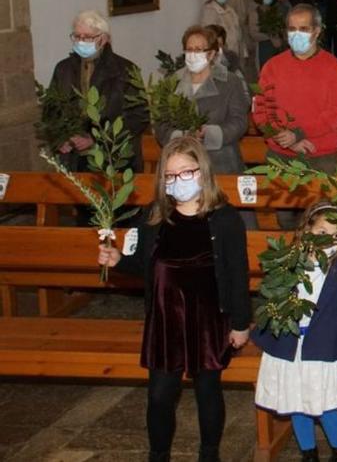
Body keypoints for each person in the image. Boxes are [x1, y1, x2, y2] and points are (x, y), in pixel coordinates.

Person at [97, 137, 251, 462]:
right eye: (170, 175)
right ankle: (159, 454)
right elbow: (143, 264)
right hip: (167, 319)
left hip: (208, 318)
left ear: (202, 172)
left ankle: (209, 453)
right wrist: (117, 261)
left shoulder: (224, 219)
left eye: (185, 172)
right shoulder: (153, 216)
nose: (178, 180)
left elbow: (238, 274)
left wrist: (240, 323)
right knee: (160, 395)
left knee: (208, 391)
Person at [252, 202, 337, 462]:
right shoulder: (288, 261)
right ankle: (308, 453)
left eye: (334, 235)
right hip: (289, 345)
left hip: (321, 348)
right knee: (295, 402)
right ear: (308, 226)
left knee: (325, 403)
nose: (326, 239)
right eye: (321, 229)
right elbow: (270, 298)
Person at [254, 4, 337, 231]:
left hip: (320, 156)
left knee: (323, 222)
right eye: (292, 29)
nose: (296, 34)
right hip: (281, 155)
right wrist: (282, 137)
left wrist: (299, 133)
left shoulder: (333, 66)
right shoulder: (272, 67)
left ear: (316, 31)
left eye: (303, 28)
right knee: (286, 222)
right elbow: (261, 112)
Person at [49, 10, 147, 173]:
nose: (81, 41)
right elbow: (51, 111)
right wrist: (60, 137)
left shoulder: (125, 70)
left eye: (87, 37)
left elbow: (138, 117)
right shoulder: (63, 69)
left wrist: (95, 139)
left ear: (103, 39)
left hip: (114, 160)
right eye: (77, 36)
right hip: (74, 161)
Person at [154, 26, 251, 176]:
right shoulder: (172, 82)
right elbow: (160, 124)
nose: (193, 54)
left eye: (198, 50)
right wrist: (181, 136)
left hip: (221, 162)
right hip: (181, 163)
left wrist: (210, 134)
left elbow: (239, 122)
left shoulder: (230, 82)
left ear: (211, 54)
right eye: (189, 50)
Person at [200, 0, 246, 64]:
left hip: (235, 49)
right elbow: (209, 32)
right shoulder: (210, 10)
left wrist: (243, 50)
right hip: (222, 50)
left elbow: (238, 30)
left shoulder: (230, 10)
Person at [248, 0, 284, 70]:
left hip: (278, 47)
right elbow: (253, 33)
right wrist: (270, 36)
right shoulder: (255, 13)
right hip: (263, 47)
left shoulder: (275, 11)